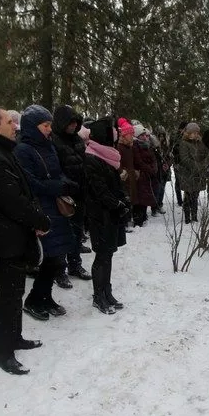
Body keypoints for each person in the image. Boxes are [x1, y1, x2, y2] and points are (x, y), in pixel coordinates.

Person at [0, 105, 50, 375]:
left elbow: (22, 192)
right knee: (7, 295)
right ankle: (2, 352)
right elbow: (13, 202)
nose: (15, 125)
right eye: (9, 121)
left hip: (15, 233)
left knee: (15, 291)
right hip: (5, 237)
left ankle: (14, 337)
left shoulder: (4, 150)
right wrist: (40, 221)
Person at [15, 105, 76, 320]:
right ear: (33, 127)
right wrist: (57, 187)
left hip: (55, 207)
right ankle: (33, 300)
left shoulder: (48, 146)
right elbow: (29, 182)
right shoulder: (23, 150)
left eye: (50, 125)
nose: (49, 129)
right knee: (49, 258)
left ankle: (45, 297)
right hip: (41, 209)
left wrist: (66, 183)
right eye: (45, 125)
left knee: (56, 257)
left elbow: (57, 172)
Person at [84, 117, 130, 313]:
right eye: (112, 130)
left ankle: (107, 292)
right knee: (102, 256)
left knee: (108, 254)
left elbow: (113, 185)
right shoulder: (92, 157)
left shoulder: (106, 155)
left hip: (111, 214)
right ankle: (98, 295)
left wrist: (123, 199)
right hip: (100, 215)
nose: (115, 133)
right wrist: (117, 204)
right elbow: (99, 190)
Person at [50, 105, 92, 287]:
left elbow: (83, 163)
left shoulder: (77, 140)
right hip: (63, 194)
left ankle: (75, 265)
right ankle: (60, 271)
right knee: (61, 234)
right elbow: (54, 168)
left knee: (76, 231)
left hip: (80, 191)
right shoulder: (53, 140)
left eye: (76, 122)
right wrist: (65, 184)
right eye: (70, 122)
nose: (74, 125)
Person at [176, 122, 207, 224]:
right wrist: (198, 167)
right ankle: (187, 218)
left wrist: (203, 165)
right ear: (188, 133)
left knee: (195, 196)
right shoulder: (184, 143)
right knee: (188, 196)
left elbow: (205, 155)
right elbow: (185, 159)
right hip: (188, 174)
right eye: (193, 132)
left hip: (198, 175)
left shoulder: (199, 143)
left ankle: (194, 217)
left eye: (197, 132)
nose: (195, 134)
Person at [131, 122, 158, 225]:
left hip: (148, 175)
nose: (145, 137)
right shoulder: (135, 145)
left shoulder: (148, 145)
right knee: (139, 198)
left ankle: (143, 216)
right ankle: (138, 219)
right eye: (142, 135)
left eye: (145, 135)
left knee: (146, 197)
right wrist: (150, 169)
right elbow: (138, 161)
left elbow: (153, 158)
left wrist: (154, 168)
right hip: (141, 175)